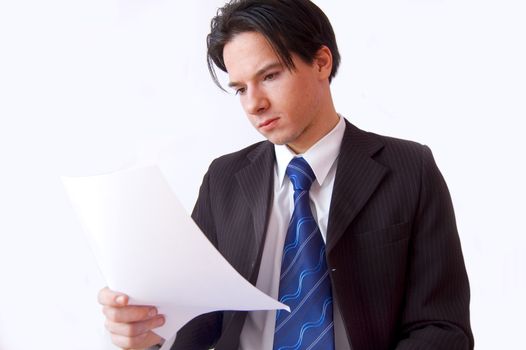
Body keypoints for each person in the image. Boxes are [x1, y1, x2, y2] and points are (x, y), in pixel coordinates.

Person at [98, 0, 474, 349]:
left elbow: (442, 328)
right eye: (240, 89)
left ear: (321, 62)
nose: (254, 104)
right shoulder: (224, 179)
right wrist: (148, 332)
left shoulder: (409, 168)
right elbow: (195, 321)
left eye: (270, 76)